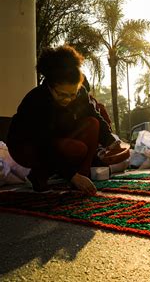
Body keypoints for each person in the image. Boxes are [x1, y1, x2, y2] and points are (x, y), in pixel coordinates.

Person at [7, 45, 122, 194]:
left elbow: (94, 115)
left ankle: (83, 176)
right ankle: (39, 175)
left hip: (58, 138)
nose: (68, 99)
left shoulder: (80, 93)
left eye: (72, 94)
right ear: (50, 85)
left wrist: (110, 140)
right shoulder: (36, 100)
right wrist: (71, 175)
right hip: (27, 146)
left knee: (92, 124)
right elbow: (43, 144)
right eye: (62, 95)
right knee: (74, 149)